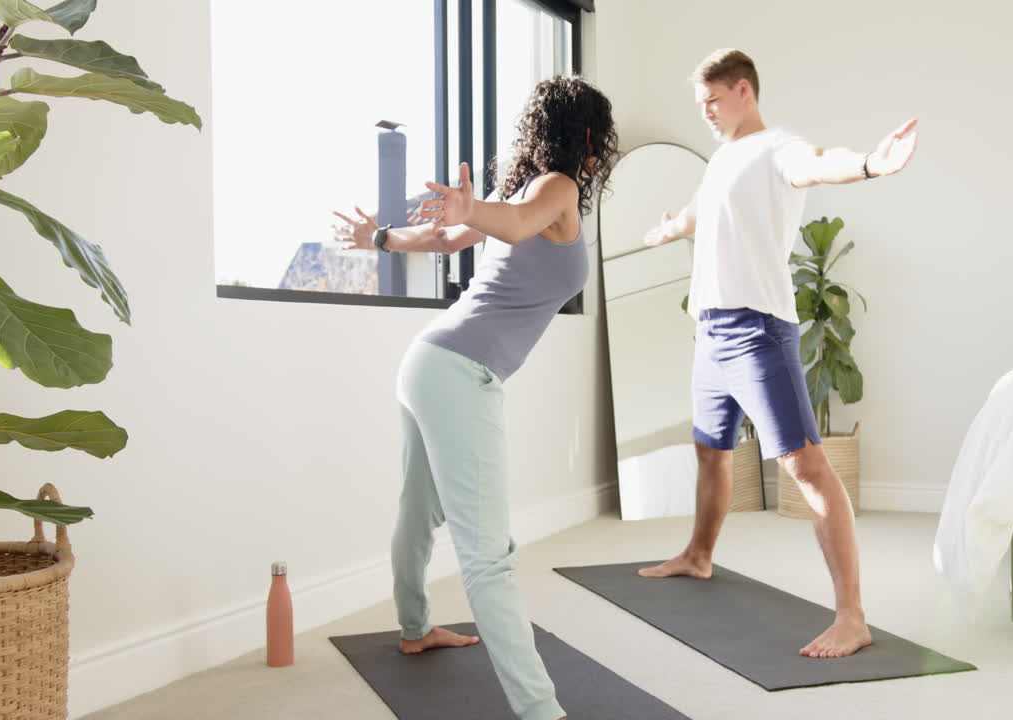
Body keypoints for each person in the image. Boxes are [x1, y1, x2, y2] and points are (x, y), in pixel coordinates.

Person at [333, 75, 617, 720]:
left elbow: (451, 237)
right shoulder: (556, 187)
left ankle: (414, 629)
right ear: (588, 135)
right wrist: (466, 215)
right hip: (459, 373)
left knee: (418, 511)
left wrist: (383, 237)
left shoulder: (525, 191)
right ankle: (541, 711)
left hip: (428, 363)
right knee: (489, 557)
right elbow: (509, 225)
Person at [639, 49, 918, 659]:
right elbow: (700, 212)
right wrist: (669, 228)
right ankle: (699, 555)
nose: (706, 113)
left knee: (805, 466)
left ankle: (852, 617)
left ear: (744, 90)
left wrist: (870, 164)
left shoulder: (778, 148)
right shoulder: (722, 158)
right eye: (700, 104)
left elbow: (819, 164)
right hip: (710, 332)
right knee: (710, 450)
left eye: (713, 100)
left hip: (757, 331)